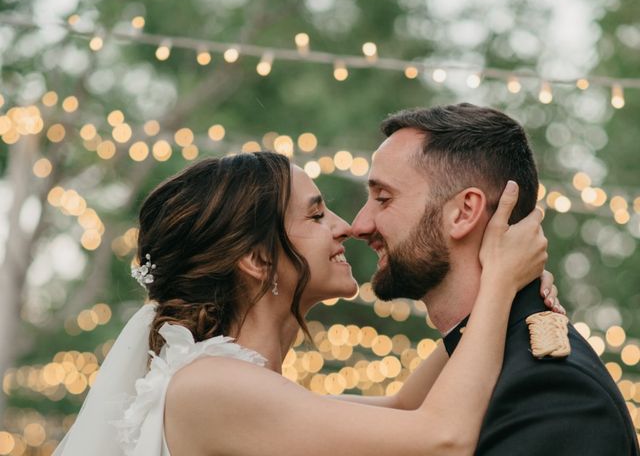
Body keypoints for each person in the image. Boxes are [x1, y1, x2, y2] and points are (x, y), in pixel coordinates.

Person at [54, 151, 555, 456]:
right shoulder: (209, 386)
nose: (345, 226)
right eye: (316, 216)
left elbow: (409, 407)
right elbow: (442, 436)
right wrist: (501, 284)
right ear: (256, 258)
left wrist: (504, 291)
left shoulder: (245, 386)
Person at [352, 103, 639, 455]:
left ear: (465, 212)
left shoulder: (552, 391)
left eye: (383, 198)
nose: (359, 225)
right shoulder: (456, 380)